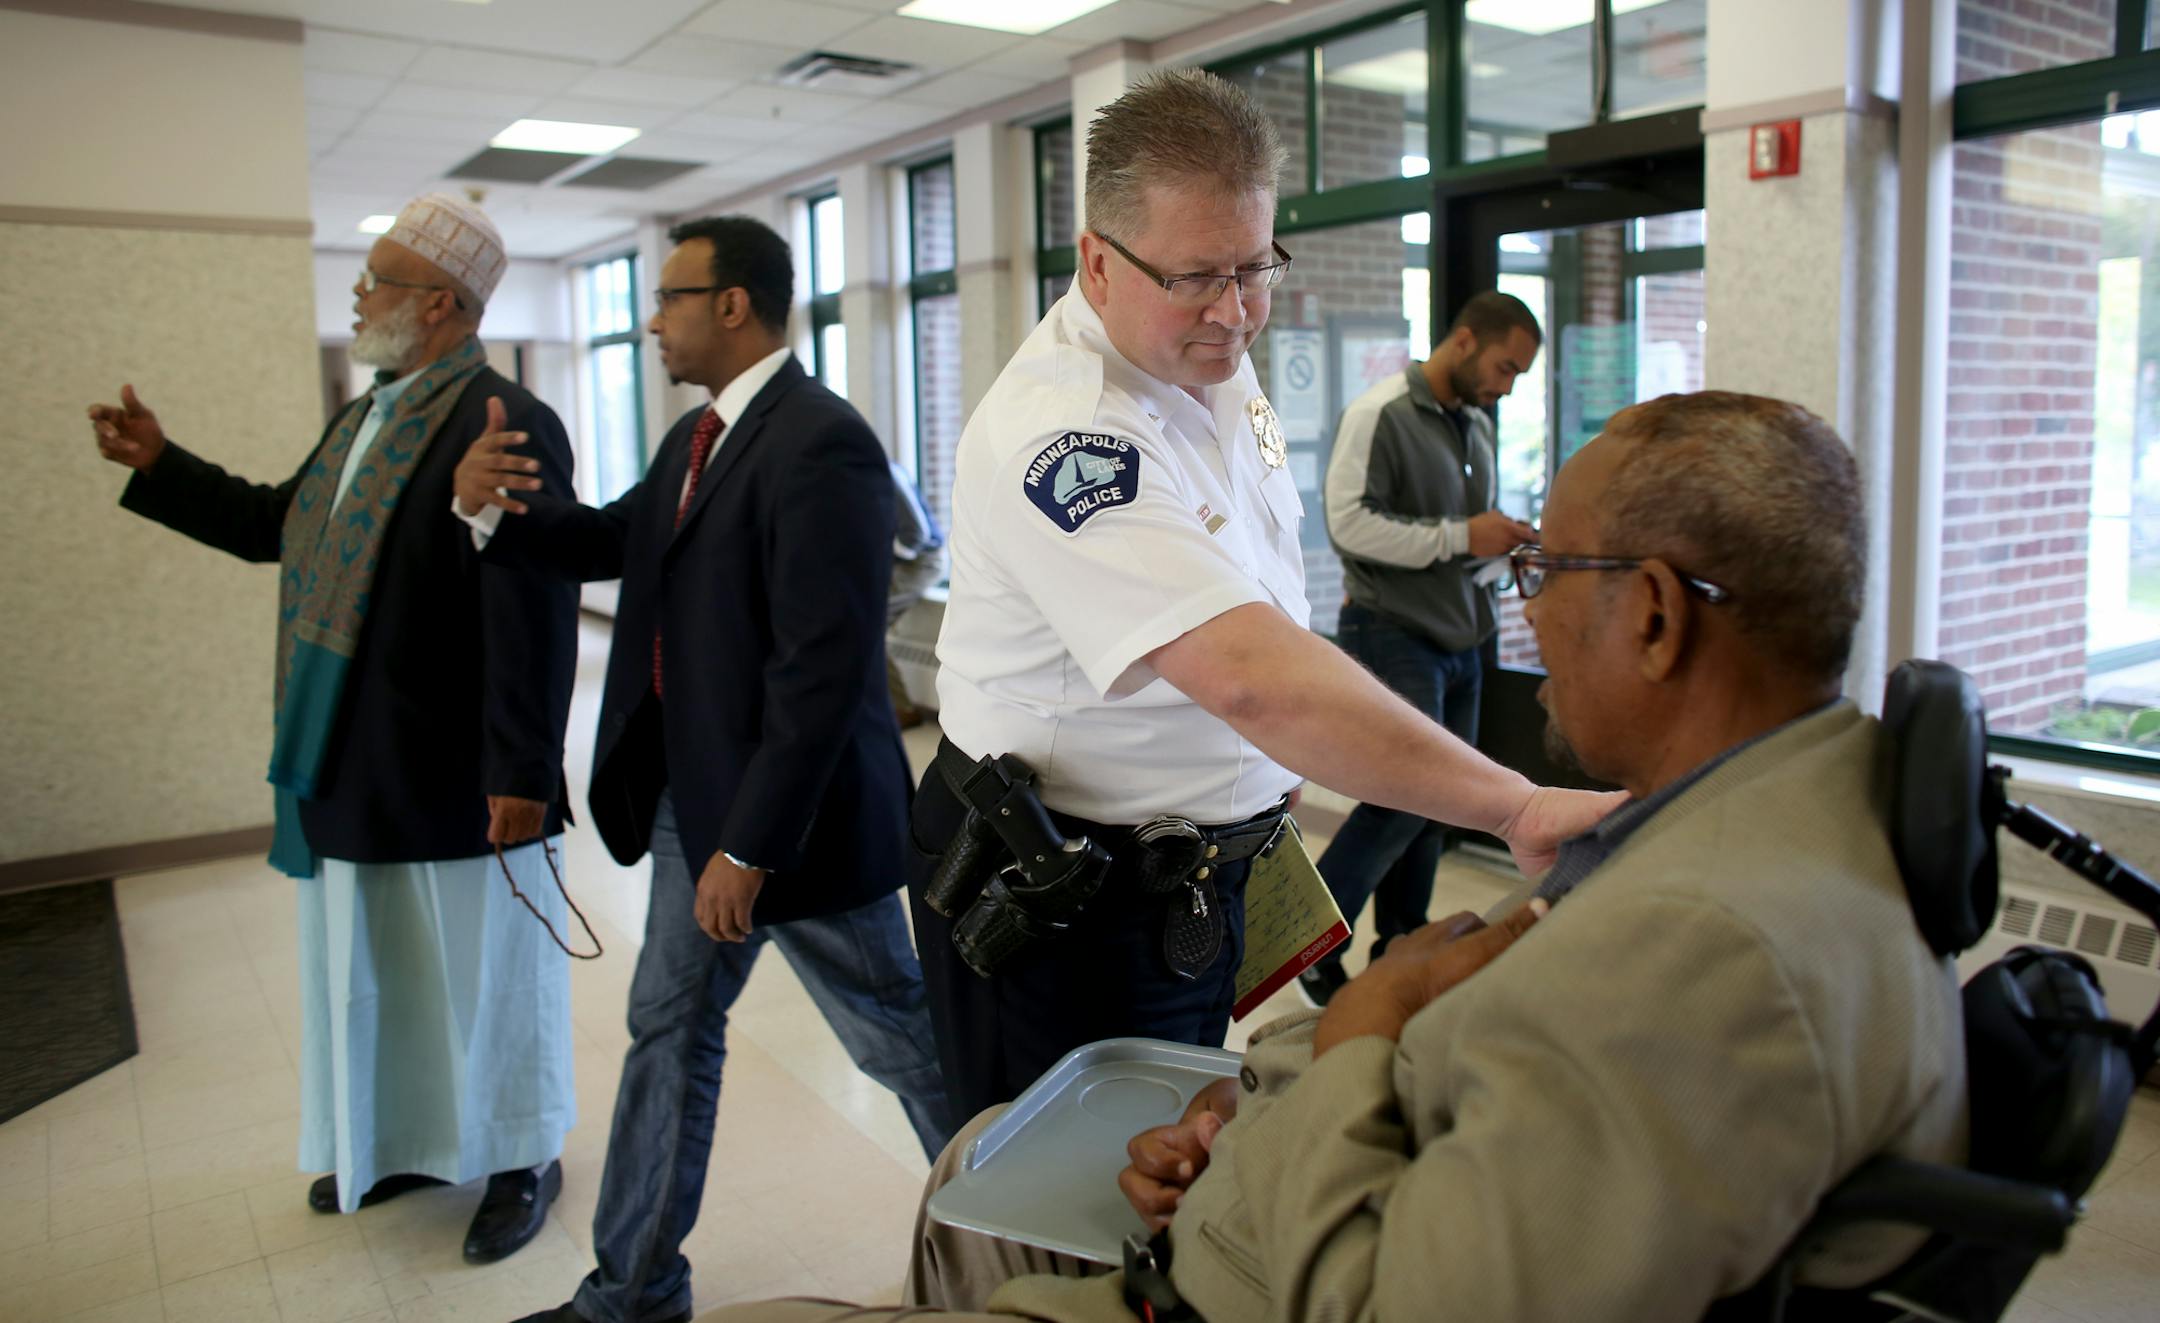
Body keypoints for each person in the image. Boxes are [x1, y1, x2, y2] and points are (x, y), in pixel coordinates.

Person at [703, 389, 1969, 1323]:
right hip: (1275, 1181)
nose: (1523, 602)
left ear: (1651, 614)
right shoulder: (1765, 819)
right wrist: (1257, 1102)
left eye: (1541, 569)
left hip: (1234, 1280)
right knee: (981, 1150)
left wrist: (1357, 1035)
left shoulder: (1712, 951)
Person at [909, 67, 1613, 1127]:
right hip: (1066, 894)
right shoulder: (1066, 432)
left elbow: (1259, 584)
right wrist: (1511, 806)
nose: (1235, 313)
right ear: (1097, 262)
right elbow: (1248, 676)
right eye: (1197, 275)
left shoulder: (1206, 356)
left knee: (1167, 1160)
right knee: (1066, 1198)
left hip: (1193, 872)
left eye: (1255, 267)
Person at [449, 215, 952, 1323]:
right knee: (668, 1033)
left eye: (668, 299)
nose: (651, 324)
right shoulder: (697, 438)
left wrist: (750, 844)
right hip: (696, 803)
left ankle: (1040, 1248)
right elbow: (609, 541)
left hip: (795, 826)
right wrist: (488, 510)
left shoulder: (823, 441)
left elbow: (822, 672)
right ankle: (631, 1293)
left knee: (908, 1046)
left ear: (732, 304)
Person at [89, 193, 580, 1263]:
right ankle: (409, 1141)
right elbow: (280, 523)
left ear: (440, 302)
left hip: (456, 768)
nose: (357, 295)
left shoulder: (503, 417)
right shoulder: (368, 418)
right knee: (383, 971)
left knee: (487, 972)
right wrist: (163, 464)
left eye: (377, 279)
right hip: (353, 759)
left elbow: (534, 605)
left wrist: (524, 771)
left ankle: (522, 1156)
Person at [1297, 291, 1541, 1006]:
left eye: (1519, 375)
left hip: (1462, 637)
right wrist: (1464, 535)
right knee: (1400, 803)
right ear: (1464, 341)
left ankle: (1399, 949)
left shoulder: (1476, 425)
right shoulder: (1380, 413)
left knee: (1444, 806)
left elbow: (1455, 541)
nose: (1508, 387)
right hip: (1392, 631)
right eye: (1505, 367)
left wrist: (1498, 546)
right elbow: (1348, 526)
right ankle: (1304, 948)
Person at [887, 457, 947, 727]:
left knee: (866, 628)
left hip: (923, 560)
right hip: (904, 562)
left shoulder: (887, 474)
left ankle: (903, 709)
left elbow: (916, 534)